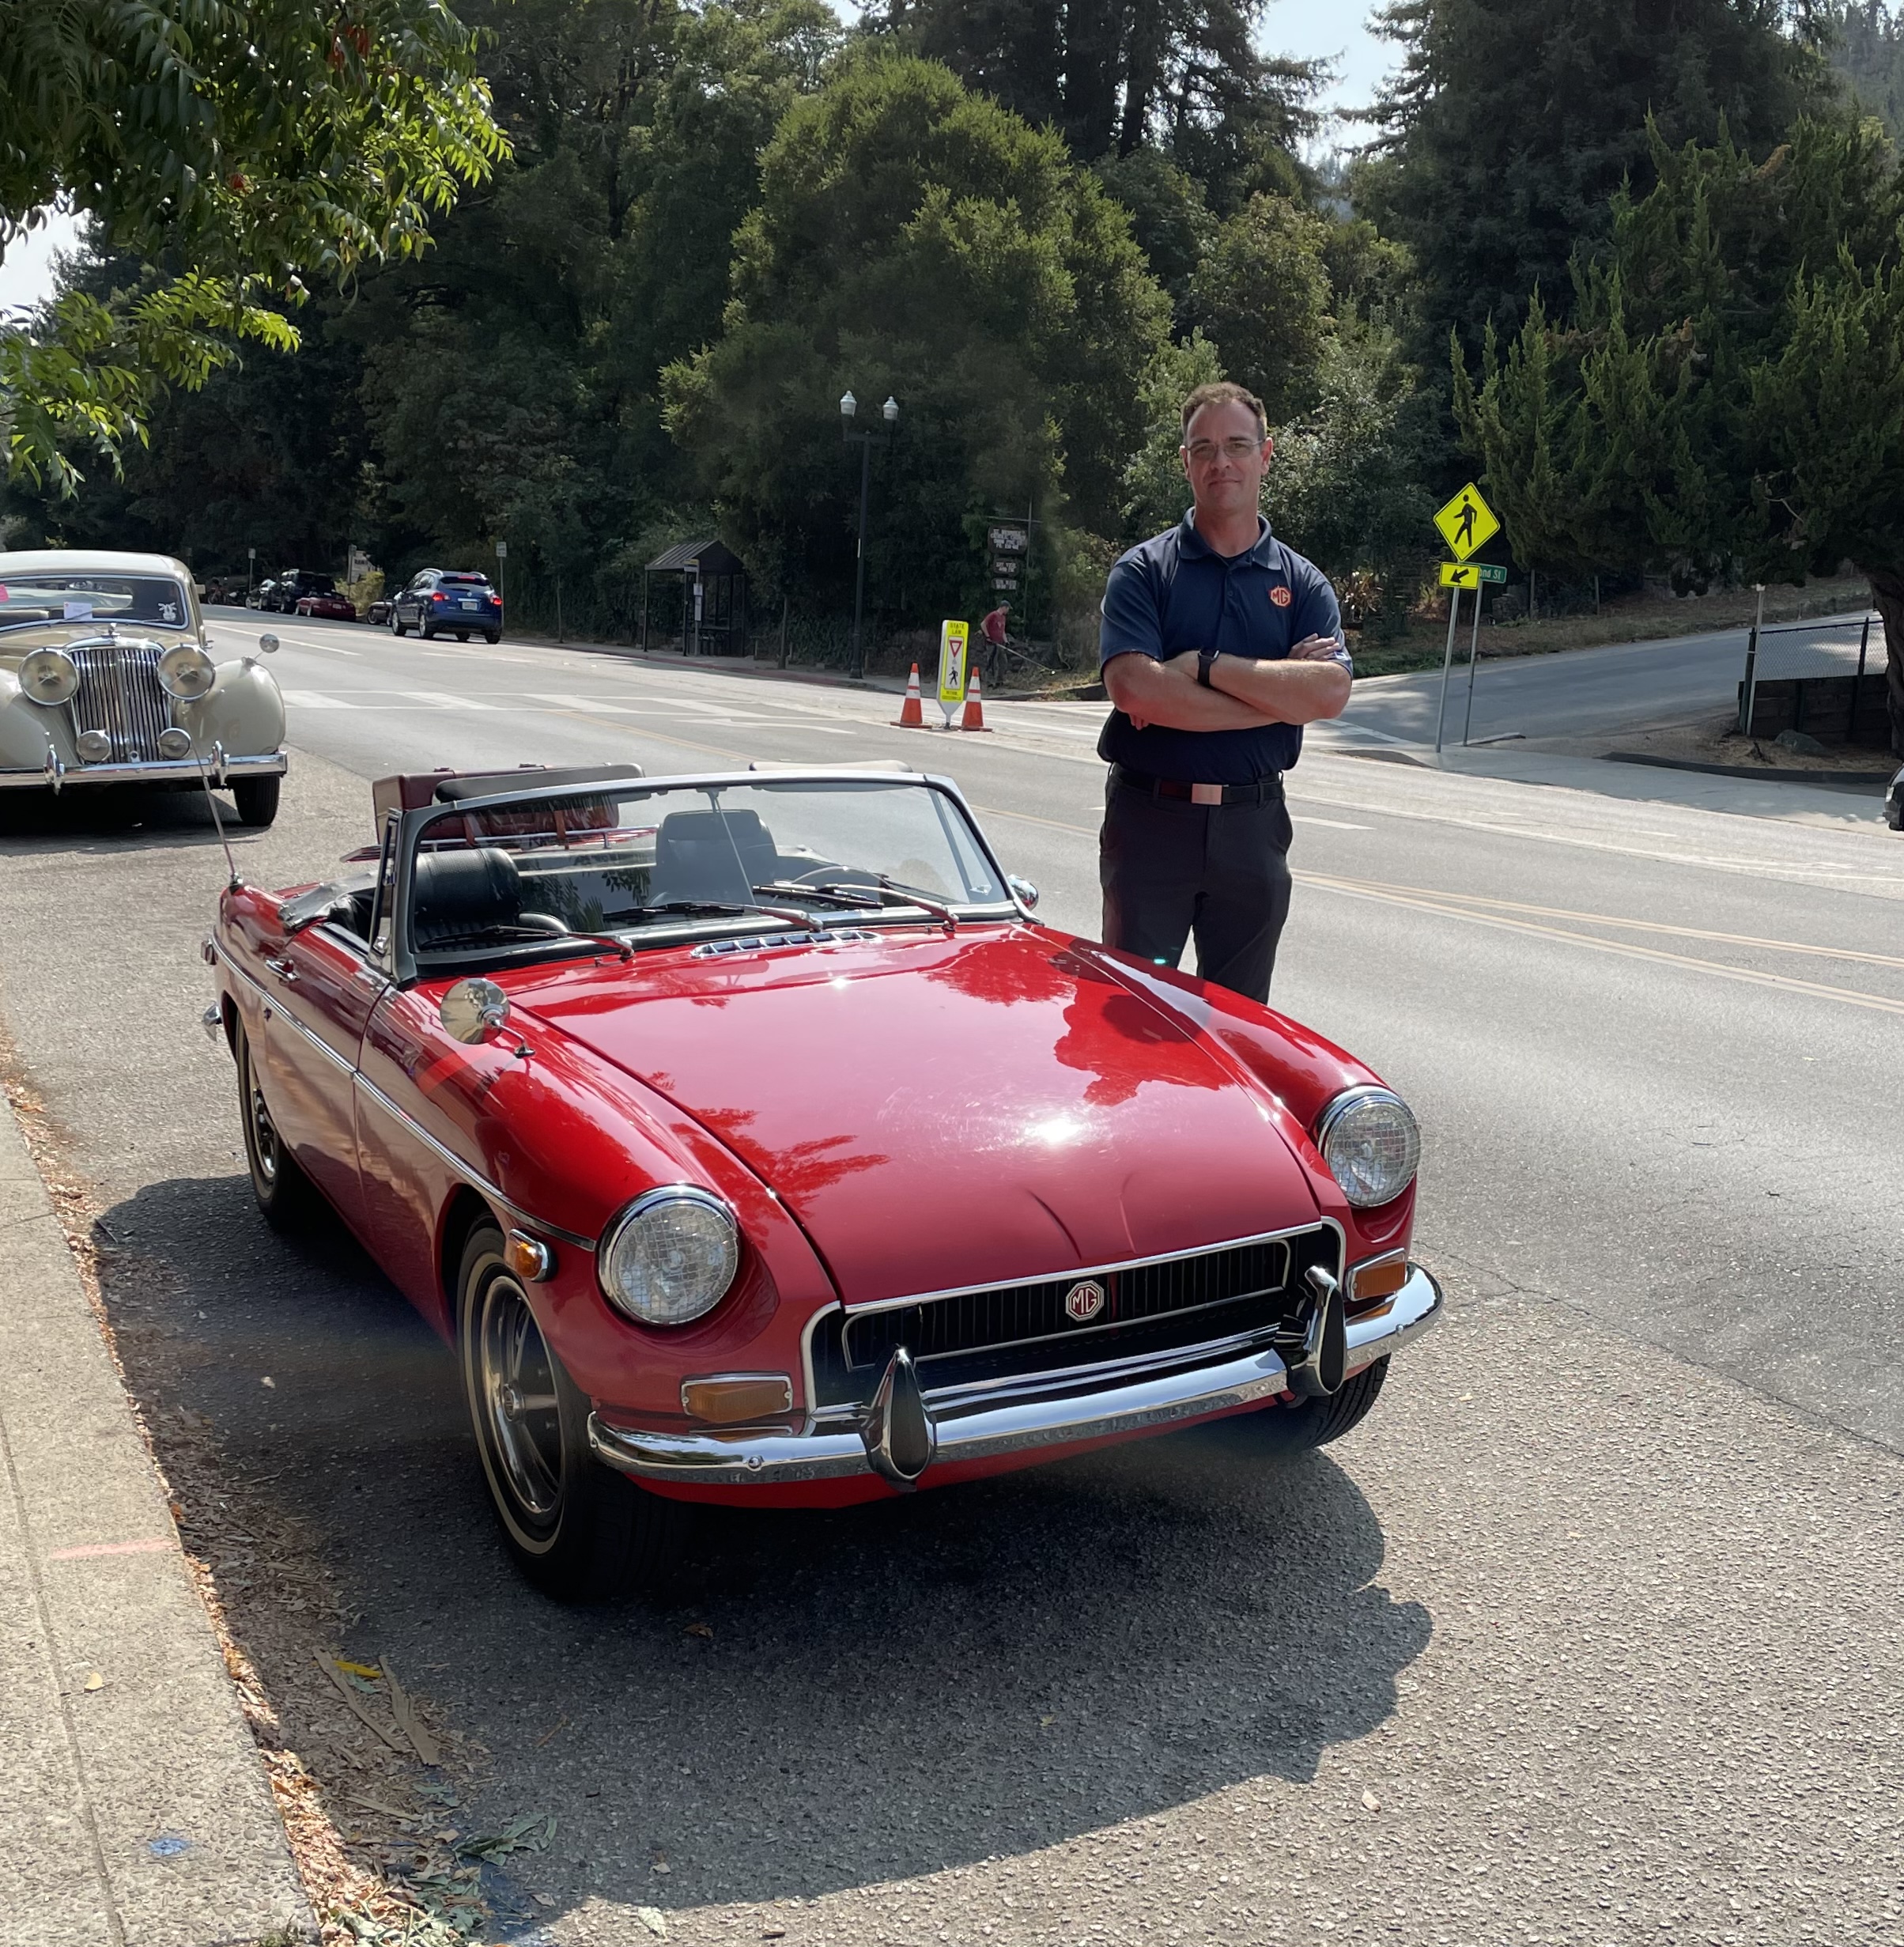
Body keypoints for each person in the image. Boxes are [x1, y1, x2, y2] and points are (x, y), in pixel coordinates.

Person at [1096, 379, 1351, 1003]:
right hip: (1151, 824)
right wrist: (1271, 700)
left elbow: (1327, 695)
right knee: (1132, 1016)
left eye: (1237, 445)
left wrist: (1203, 667)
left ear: (1265, 456)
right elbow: (1135, 691)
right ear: (1185, 462)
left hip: (1253, 828)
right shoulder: (1144, 571)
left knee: (1241, 1029)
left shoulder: (1302, 582)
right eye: (1203, 448)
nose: (1221, 462)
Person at [979, 601, 1010, 682]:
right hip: (992, 643)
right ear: (1004, 607)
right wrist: (987, 636)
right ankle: (990, 681)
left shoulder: (1003, 618)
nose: (1008, 611)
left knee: (1003, 662)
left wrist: (1006, 641)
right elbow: (983, 624)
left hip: (1000, 643)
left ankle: (1000, 680)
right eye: (1008, 608)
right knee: (992, 663)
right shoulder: (993, 615)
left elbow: (1003, 631)